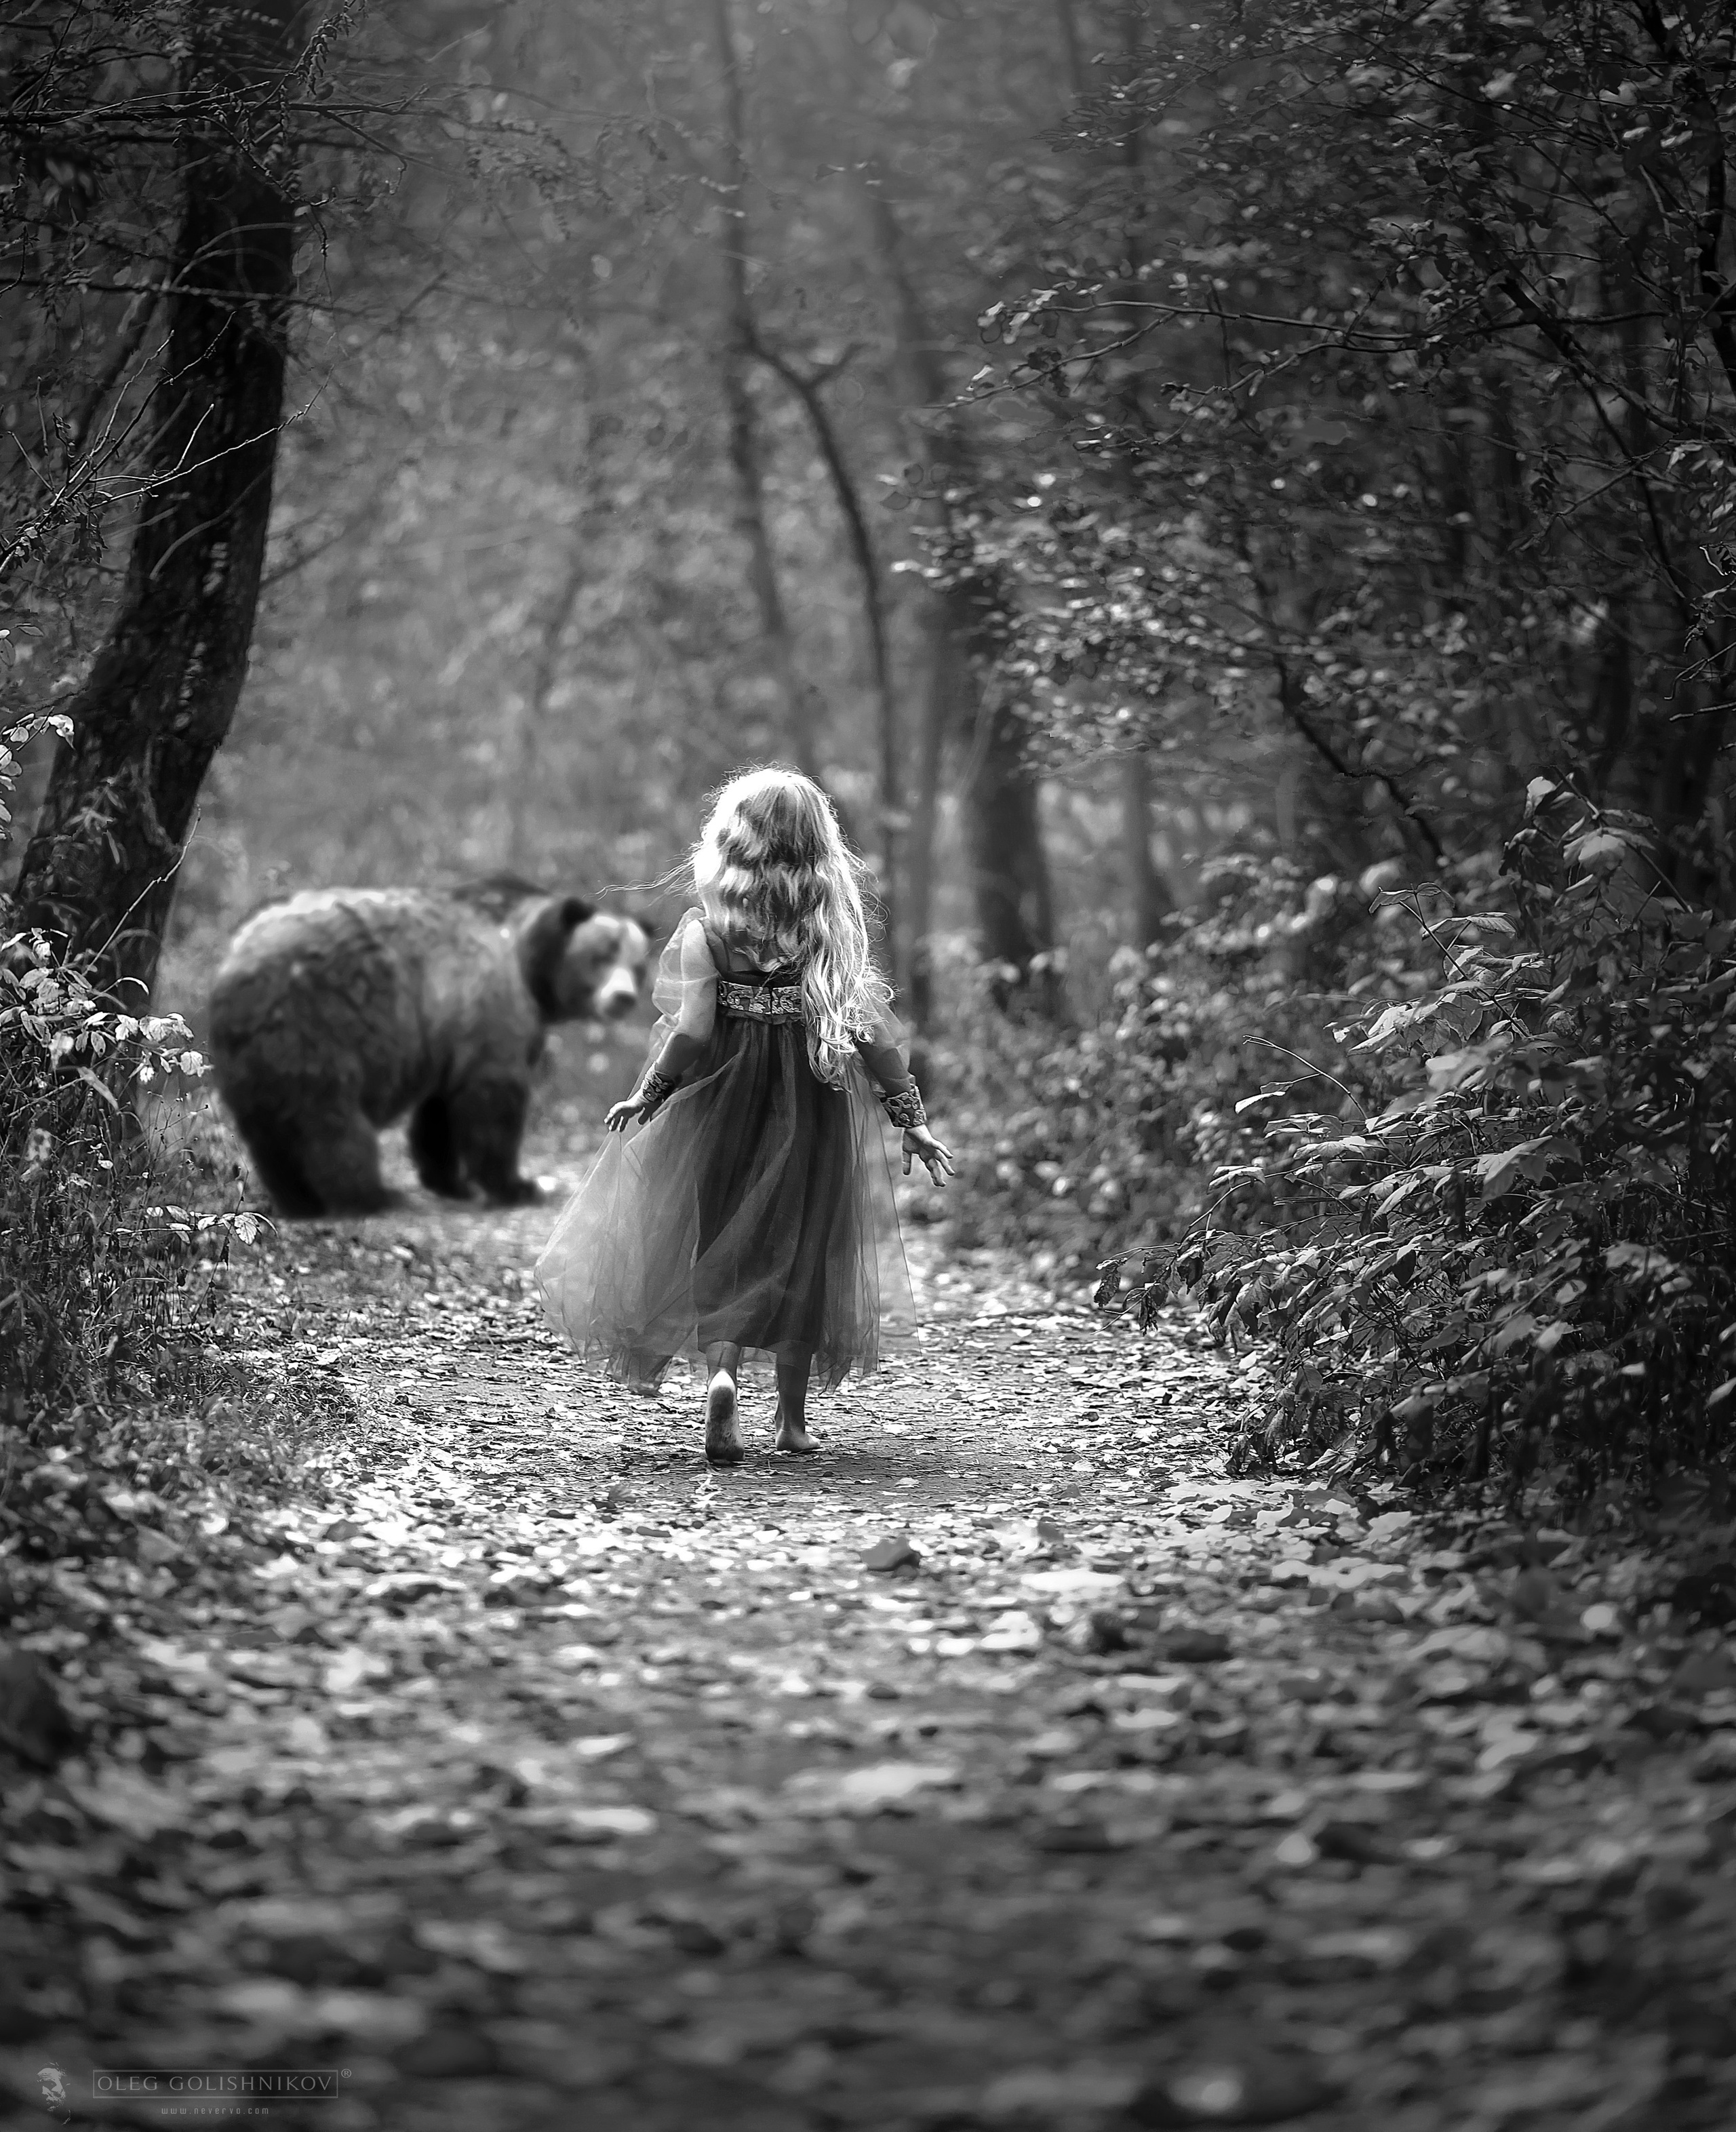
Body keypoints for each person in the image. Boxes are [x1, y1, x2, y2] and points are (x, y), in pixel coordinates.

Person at [534, 766, 955, 1465]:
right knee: (804, 1249)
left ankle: (722, 1375)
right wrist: (909, 1116)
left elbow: (693, 1031)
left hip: (720, 1103)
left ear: (732, 844)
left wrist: (652, 1091)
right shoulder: (825, 931)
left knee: (721, 1242)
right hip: (815, 1104)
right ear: (818, 847)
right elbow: (870, 1032)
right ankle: (791, 1423)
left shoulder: (710, 933)